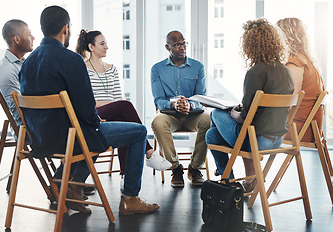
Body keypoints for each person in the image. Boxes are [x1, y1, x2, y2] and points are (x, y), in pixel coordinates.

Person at [19, 5, 159, 215]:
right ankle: (130, 198)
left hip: (40, 138)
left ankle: (68, 185)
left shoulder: (27, 63)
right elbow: (86, 107)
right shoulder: (71, 59)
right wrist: (95, 121)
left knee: (91, 132)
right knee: (137, 132)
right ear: (65, 28)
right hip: (71, 138)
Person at [205, 18, 294, 193]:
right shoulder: (286, 71)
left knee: (215, 114)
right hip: (277, 140)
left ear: (250, 45)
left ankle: (229, 183)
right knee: (211, 135)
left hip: (256, 142)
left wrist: (234, 113)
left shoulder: (255, 72)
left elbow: (244, 117)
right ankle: (230, 180)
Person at [75, 29, 171, 173]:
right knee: (125, 106)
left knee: (125, 121)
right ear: (91, 47)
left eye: (106, 43)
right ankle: (150, 152)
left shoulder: (112, 69)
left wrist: (114, 105)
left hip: (113, 111)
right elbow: (88, 102)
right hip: (95, 113)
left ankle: (124, 176)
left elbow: (117, 98)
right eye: (102, 44)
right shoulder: (82, 68)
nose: (106, 46)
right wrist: (112, 105)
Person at [151, 30, 210, 187]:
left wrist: (189, 105)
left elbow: (201, 97)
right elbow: (158, 100)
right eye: (176, 44)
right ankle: (175, 168)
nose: (182, 47)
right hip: (169, 114)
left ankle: (195, 168)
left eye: (184, 43)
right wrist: (173, 104)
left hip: (193, 114)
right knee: (157, 122)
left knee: (209, 120)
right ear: (167, 47)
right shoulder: (157, 69)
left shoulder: (198, 67)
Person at [277, 17, 325, 142]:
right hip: (310, 129)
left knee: (247, 127)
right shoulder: (307, 62)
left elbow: (291, 102)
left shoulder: (295, 63)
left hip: (297, 130)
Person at [0, 19, 35, 130]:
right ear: (17, 39)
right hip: (28, 129)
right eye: (29, 34)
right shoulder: (6, 70)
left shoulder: (23, 64)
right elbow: (18, 113)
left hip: (36, 123)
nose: (33, 38)